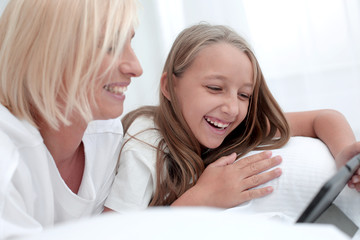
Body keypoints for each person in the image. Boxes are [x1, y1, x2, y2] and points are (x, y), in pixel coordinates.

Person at [104, 23, 360, 212]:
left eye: (244, 95)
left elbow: (324, 118)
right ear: (169, 87)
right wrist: (200, 198)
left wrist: (344, 155)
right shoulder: (146, 144)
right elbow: (113, 233)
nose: (232, 108)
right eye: (215, 88)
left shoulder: (230, 126)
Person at [0, 0, 142, 239]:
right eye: (110, 45)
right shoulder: (7, 158)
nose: (136, 67)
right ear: (48, 52)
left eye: (130, 42)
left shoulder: (106, 135)